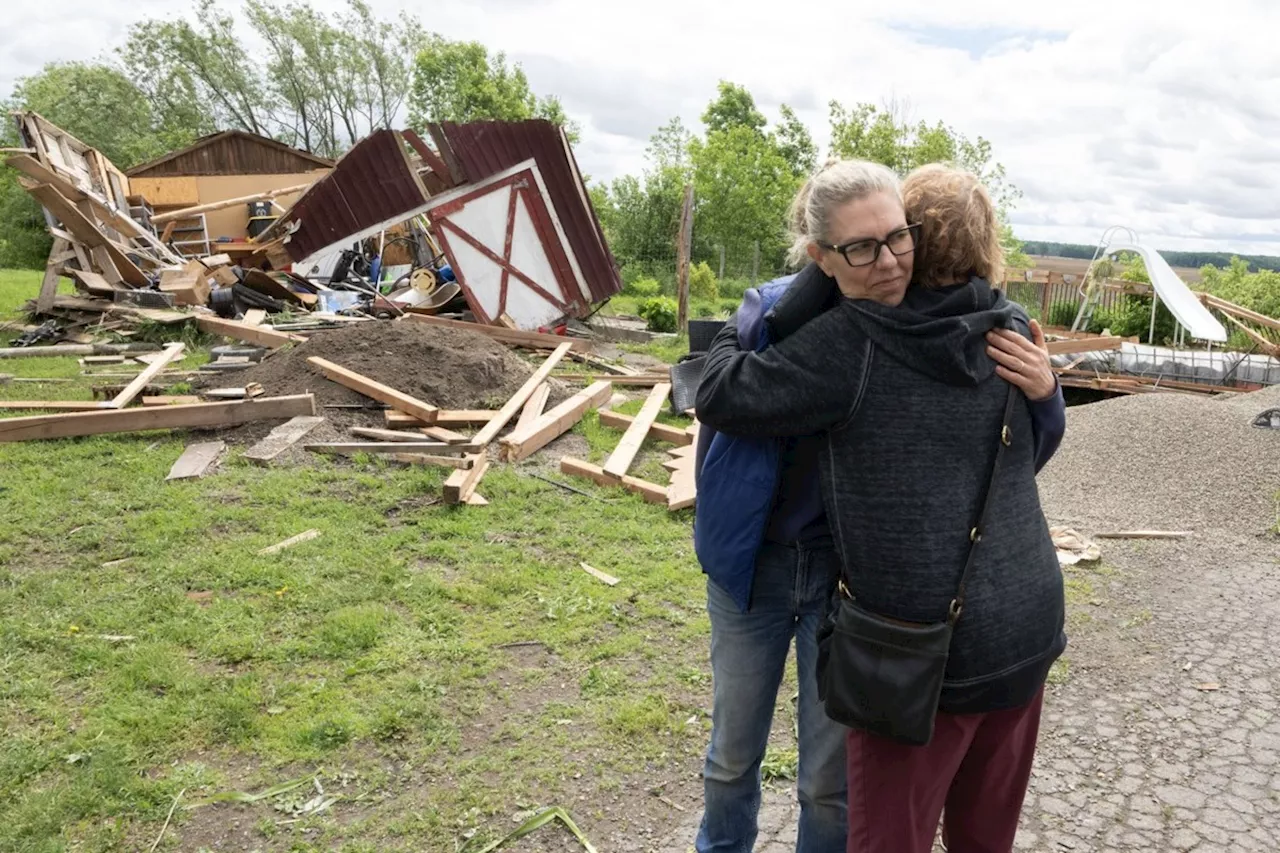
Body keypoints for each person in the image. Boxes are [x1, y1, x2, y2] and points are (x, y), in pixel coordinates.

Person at [691, 159, 1066, 853]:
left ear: (918, 235)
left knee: (838, 788)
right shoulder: (809, 317)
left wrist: (1045, 392)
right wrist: (759, 311)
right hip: (766, 567)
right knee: (736, 755)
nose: (888, 260)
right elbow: (718, 390)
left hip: (857, 590)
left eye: (899, 238)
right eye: (862, 247)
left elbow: (1020, 459)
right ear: (820, 256)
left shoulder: (896, 335)